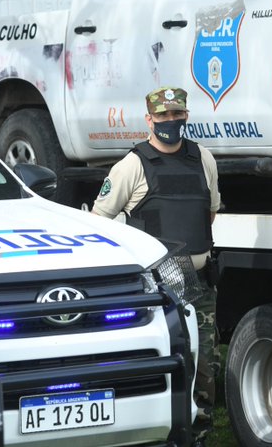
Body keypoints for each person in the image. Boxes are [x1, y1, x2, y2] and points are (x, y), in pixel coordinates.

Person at [92, 86, 221, 445]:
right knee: (152, 367)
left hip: (199, 286)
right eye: (162, 116)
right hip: (156, 291)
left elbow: (208, 214)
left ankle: (198, 437)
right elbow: (98, 222)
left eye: (177, 114)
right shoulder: (132, 165)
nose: (170, 121)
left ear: (186, 116)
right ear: (149, 119)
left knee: (204, 369)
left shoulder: (203, 159)